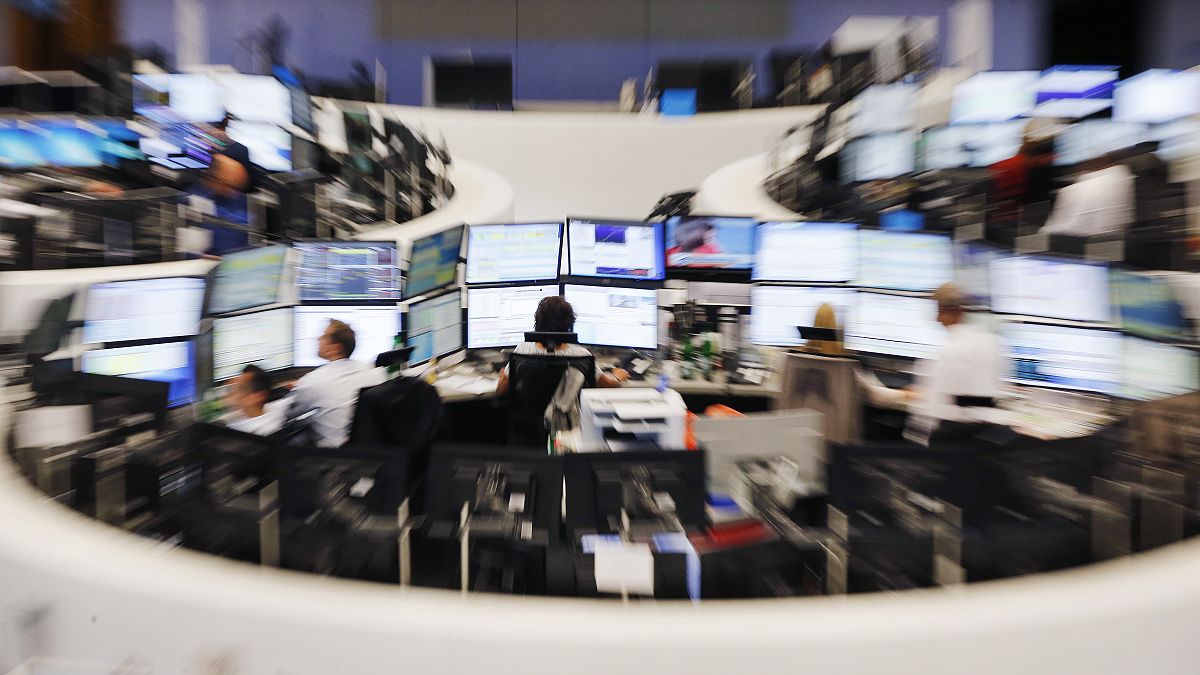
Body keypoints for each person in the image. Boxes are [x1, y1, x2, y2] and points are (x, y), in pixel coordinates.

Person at [905, 283, 1005, 446]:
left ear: (957, 312)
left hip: (951, 438)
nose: (937, 319)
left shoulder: (946, 354)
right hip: (987, 438)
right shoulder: (994, 344)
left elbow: (931, 409)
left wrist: (914, 441)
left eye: (940, 312)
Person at [495, 296, 627, 395]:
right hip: (570, 428)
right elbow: (608, 385)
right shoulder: (581, 355)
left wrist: (503, 375)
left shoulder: (522, 351)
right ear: (570, 324)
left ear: (537, 322)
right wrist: (618, 375)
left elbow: (500, 391)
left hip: (529, 427)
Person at [290, 319, 386, 448]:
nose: (318, 339)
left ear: (335, 348)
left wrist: (298, 388)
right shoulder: (374, 370)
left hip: (337, 457)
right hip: (376, 452)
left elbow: (290, 413)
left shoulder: (313, 381)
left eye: (324, 337)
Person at [802, 303, 912, 409]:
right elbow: (876, 396)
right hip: (838, 427)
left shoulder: (796, 358)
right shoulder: (844, 364)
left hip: (800, 425)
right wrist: (905, 394)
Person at [1039, 153, 1136, 238]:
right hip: (1116, 245)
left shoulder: (1075, 189)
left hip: (1085, 246)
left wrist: (1043, 231)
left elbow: (1074, 227)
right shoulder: (1124, 178)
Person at [221, 364, 285, 436]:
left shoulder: (255, 432)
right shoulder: (273, 409)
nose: (231, 393)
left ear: (258, 396)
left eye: (239, 388)